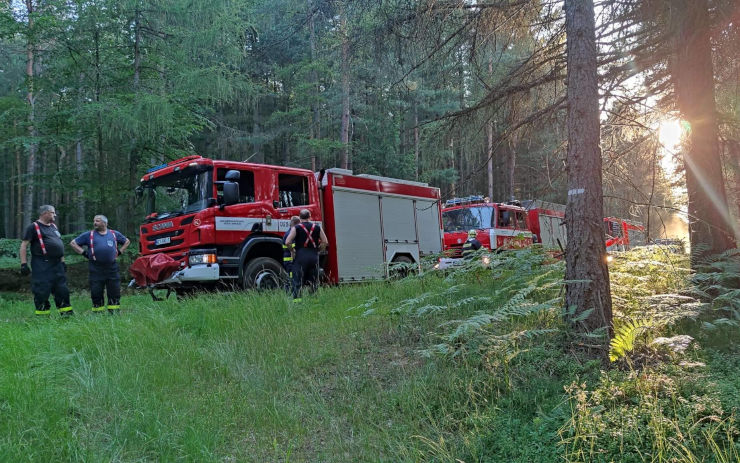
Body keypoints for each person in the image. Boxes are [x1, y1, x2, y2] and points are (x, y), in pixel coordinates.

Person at [19, 205, 73, 316]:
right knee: (42, 290)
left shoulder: (53, 226)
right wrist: (23, 264)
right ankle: (43, 317)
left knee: (62, 290)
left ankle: (66, 315)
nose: (55, 215)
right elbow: (24, 245)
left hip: (57, 264)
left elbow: (59, 245)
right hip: (42, 264)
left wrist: (63, 261)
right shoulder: (33, 227)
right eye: (53, 213)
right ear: (45, 213)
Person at [70, 215, 130, 313]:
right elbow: (73, 243)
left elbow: (127, 241)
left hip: (112, 267)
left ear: (104, 223)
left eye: (97, 221)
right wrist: (84, 253)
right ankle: (98, 313)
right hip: (96, 268)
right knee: (96, 291)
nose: (95, 223)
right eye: (94, 221)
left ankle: (114, 313)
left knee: (114, 290)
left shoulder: (114, 234)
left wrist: (119, 252)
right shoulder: (89, 235)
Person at [285, 209, 328, 302]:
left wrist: (292, 251)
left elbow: (287, 242)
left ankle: (297, 303)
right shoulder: (317, 227)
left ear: (300, 218)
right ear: (310, 216)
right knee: (314, 282)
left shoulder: (296, 228)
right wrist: (319, 249)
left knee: (297, 282)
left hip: (300, 257)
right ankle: (314, 302)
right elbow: (325, 241)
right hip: (314, 257)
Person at [282, 216, 301, 291]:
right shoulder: (291, 234)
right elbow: (293, 247)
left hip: (288, 260)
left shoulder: (288, 232)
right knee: (292, 278)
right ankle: (290, 293)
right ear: (297, 224)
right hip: (291, 260)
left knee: (291, 277)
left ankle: (289, 292)